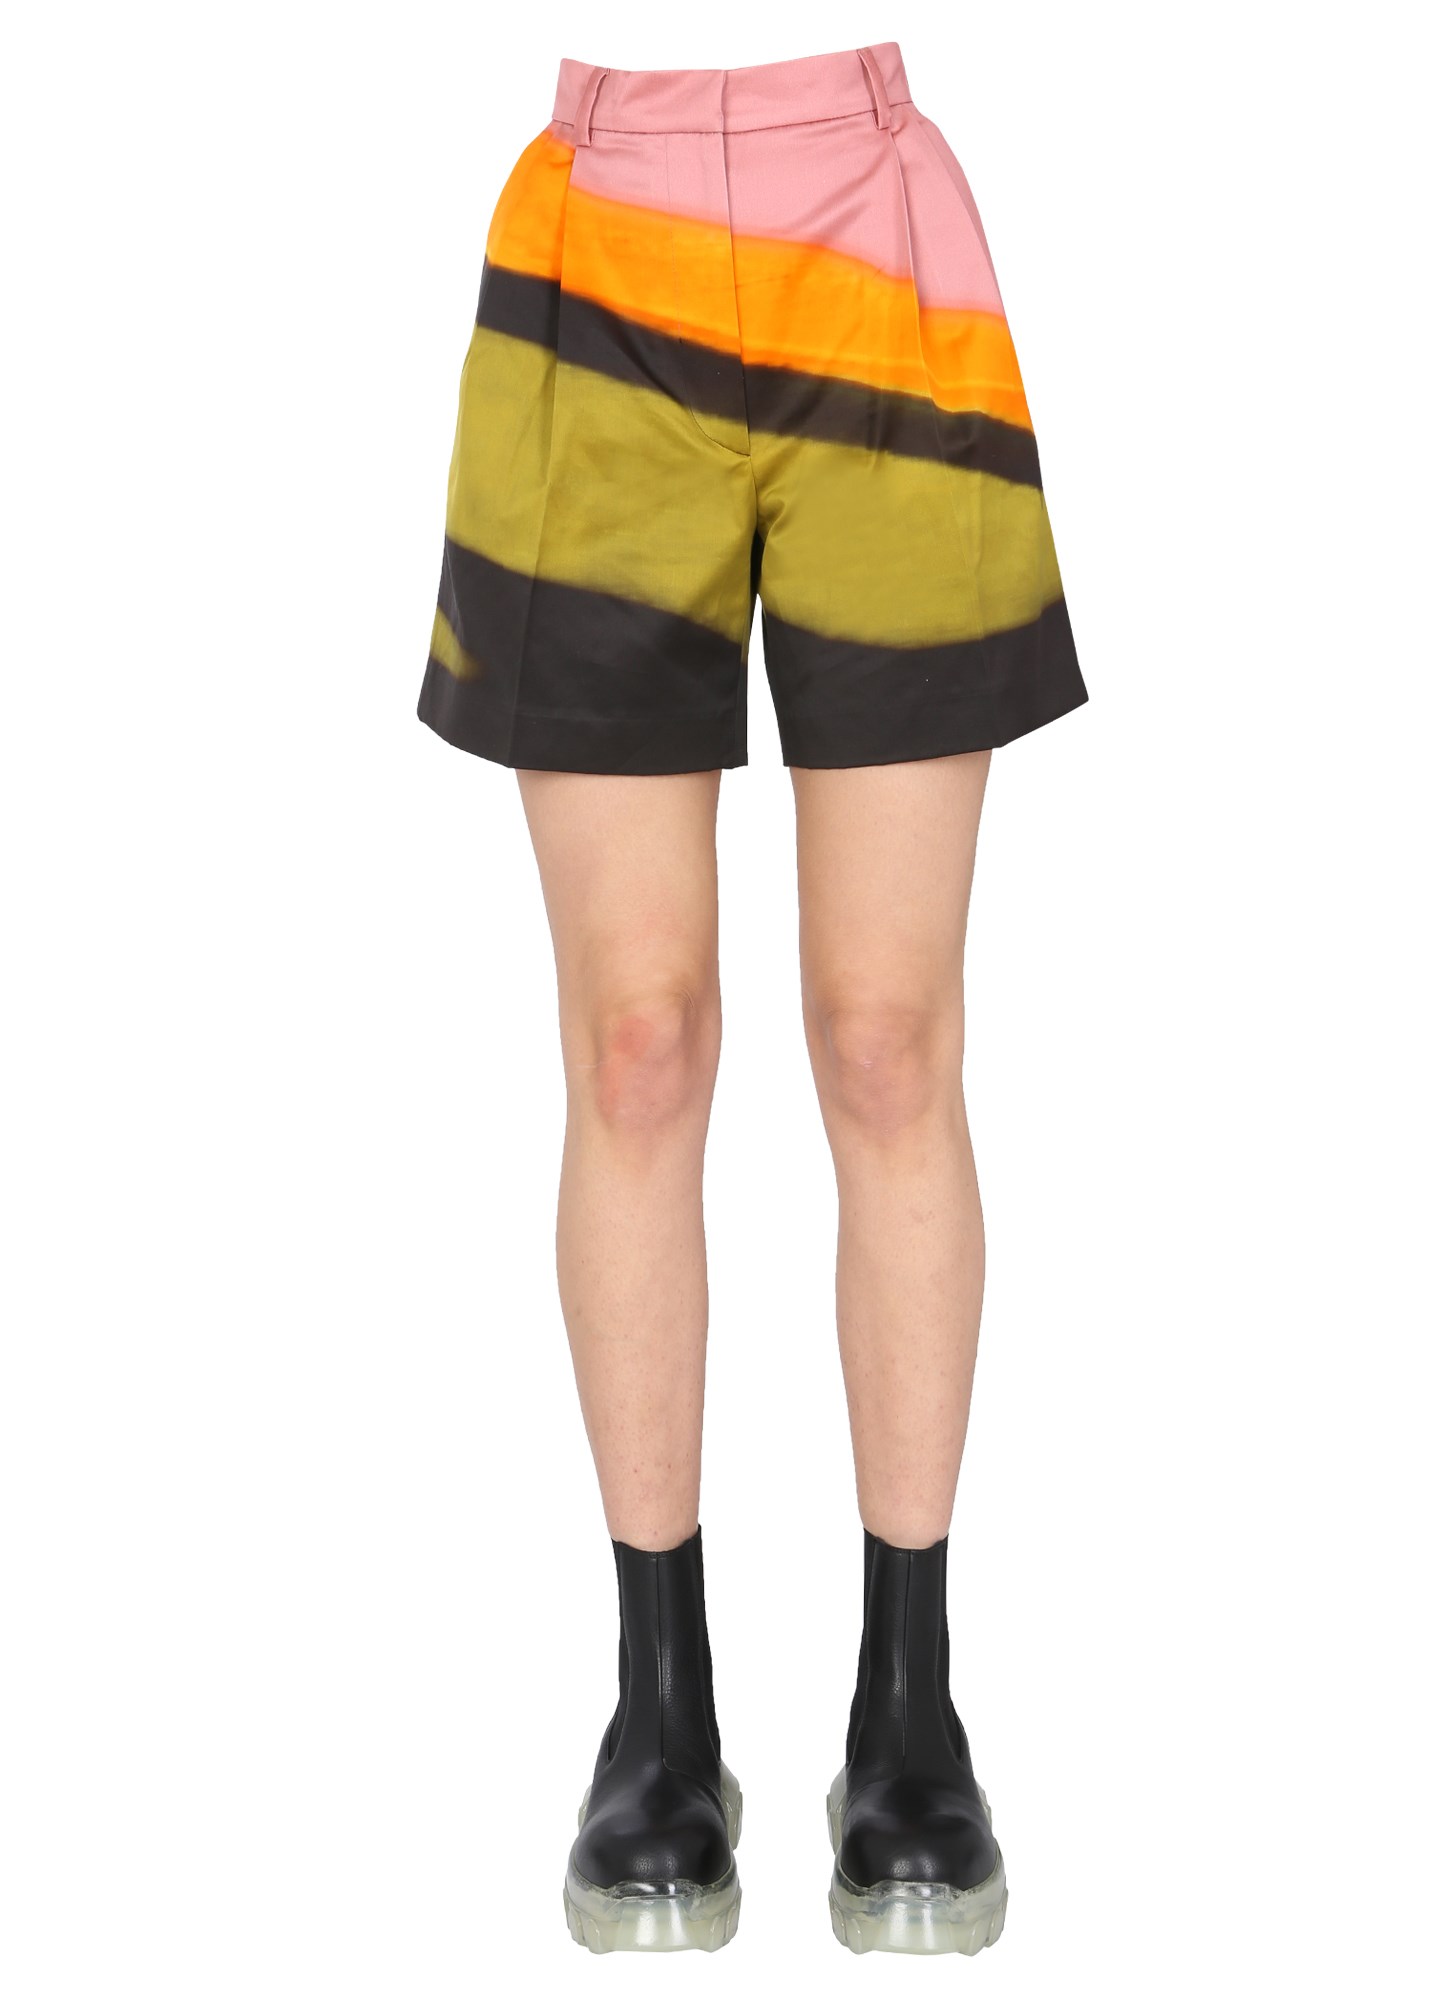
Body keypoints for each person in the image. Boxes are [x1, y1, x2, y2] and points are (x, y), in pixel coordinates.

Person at [416, 41, 1086, 1956]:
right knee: (638, 1046)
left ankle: (907, 1712)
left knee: (889, 1042)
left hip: (884, 240)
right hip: (591, 252)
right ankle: (660, 1710)